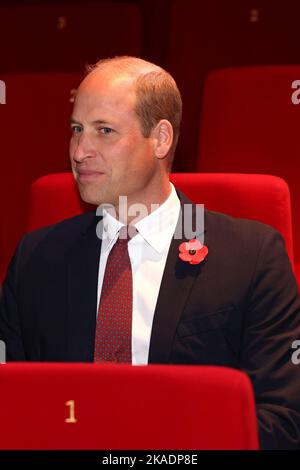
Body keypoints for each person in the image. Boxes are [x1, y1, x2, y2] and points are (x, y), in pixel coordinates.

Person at [0, 56, 300, 449]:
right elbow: (13, 406)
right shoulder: (36, 258)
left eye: (104, 131)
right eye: (77, 129)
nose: (79, 151)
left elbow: (283, 419)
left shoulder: (252, 255)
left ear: (160, 138)